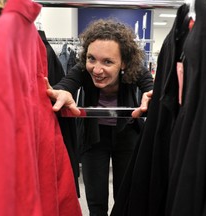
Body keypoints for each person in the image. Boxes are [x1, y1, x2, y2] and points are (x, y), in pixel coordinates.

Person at [45, 18, 154, 216]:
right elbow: (66, 84)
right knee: (96, 203)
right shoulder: (82, 69)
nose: (96, 69)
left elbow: (150, 87)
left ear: (124, 63)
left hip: (127, 136)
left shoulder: (135, 69)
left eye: (108, 62)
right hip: (93, 138)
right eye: (91, 58)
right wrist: (61, 92)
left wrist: (152, 95)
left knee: (126, 198)